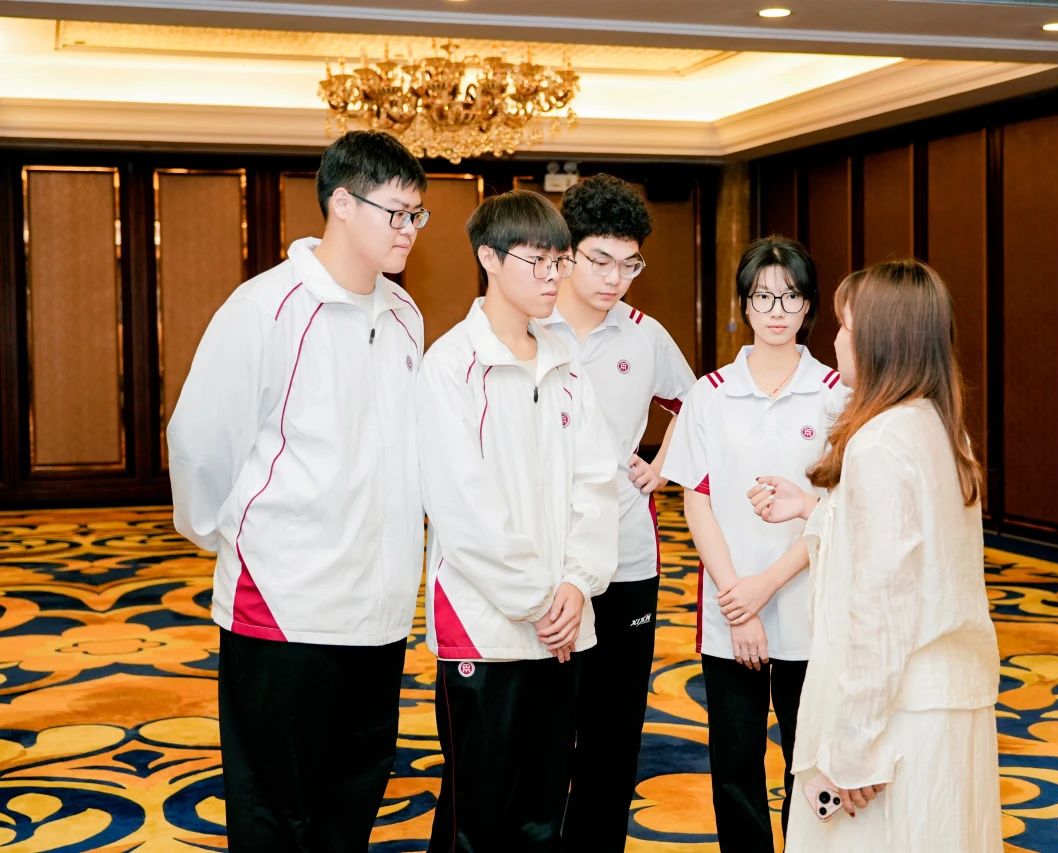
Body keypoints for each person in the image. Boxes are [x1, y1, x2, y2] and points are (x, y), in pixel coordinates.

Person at [167, 129, 429, 851]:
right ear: (342, 204)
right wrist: (223, 536)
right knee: (277, 810)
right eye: (396, 213)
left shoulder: (405, 316)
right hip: (284, 605)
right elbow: (200, 440)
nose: (409, 229)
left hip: (380, 608)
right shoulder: (265, 307)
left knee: (354, 794)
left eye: (417, 215)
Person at [748, 259, 1001, 851]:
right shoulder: (940, 427)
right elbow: (915, 548)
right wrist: (816, 510)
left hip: (895, 714)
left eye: (846, 326)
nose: (836, 339)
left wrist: (853, 744)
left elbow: (881, 604)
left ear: (880, 340)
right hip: (946, 700)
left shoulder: (880, 441)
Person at [417, 189, 619, 851]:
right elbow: (461, 505)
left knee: (542, 807)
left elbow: (597, 480)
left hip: (563, 621)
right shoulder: (451, 366)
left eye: (560, 262)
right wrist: (537, 599)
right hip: (484, 624)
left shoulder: (566, 362)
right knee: (476, 811)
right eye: (537, 262)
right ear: (489, 258)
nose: (552, 278)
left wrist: (576, 584)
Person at [662, 236, 846, 852]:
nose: (776, 310)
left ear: (808, 305)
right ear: (744, 303)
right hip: (730, 608)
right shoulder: (710, 393)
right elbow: (697, 500)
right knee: (735, 763)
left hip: (810, 610)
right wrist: (740, 603)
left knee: (808, 762)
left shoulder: (836, 394)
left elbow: (840, 510)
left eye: (790, 296)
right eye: (763, 296)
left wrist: (765, 587)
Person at [543, 174, 697, 853]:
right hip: (545, 559)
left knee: (612, 735)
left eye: (630, 264)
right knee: (543, 728)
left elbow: (698, 408)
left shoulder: (645, 335)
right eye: (600, 260)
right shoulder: (529, 325)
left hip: (627, 556)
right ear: (567, 253)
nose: (615, 279)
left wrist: (663, 466)